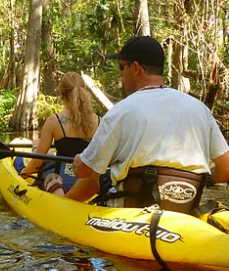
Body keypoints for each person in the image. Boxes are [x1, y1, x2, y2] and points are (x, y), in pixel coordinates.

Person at [70, 35, 229, 213]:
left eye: (121, 67)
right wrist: (207, 176)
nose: (120, 73)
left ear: (136, 68)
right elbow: (226, 169)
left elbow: (84, 171)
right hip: (184, 216)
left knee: (101, 178)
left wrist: (78, 162)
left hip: (131, 217)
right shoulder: (200, 110)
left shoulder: (120, 111)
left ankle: (63, 201)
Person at [19, 72, 99, 195]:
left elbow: (37, 162)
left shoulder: (54, 121)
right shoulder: (99, 121)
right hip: (87, 181)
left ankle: (58, 191)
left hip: (62, 179)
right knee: (43, 148)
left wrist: (22, 175)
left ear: (62, 94)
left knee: (46, 157)